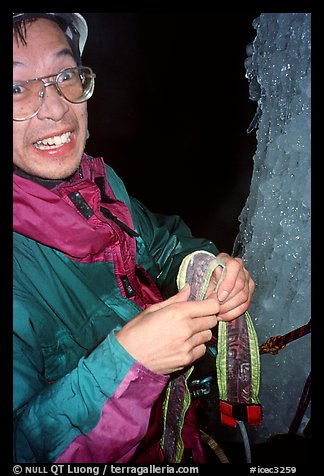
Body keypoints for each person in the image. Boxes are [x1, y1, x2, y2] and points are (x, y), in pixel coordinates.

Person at [13, 13, 255, 464]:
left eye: (65, 76)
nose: (56, 108)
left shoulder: (97, 184)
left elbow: (161, 244)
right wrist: (131, 360)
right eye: (17, 88)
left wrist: (203, 267)